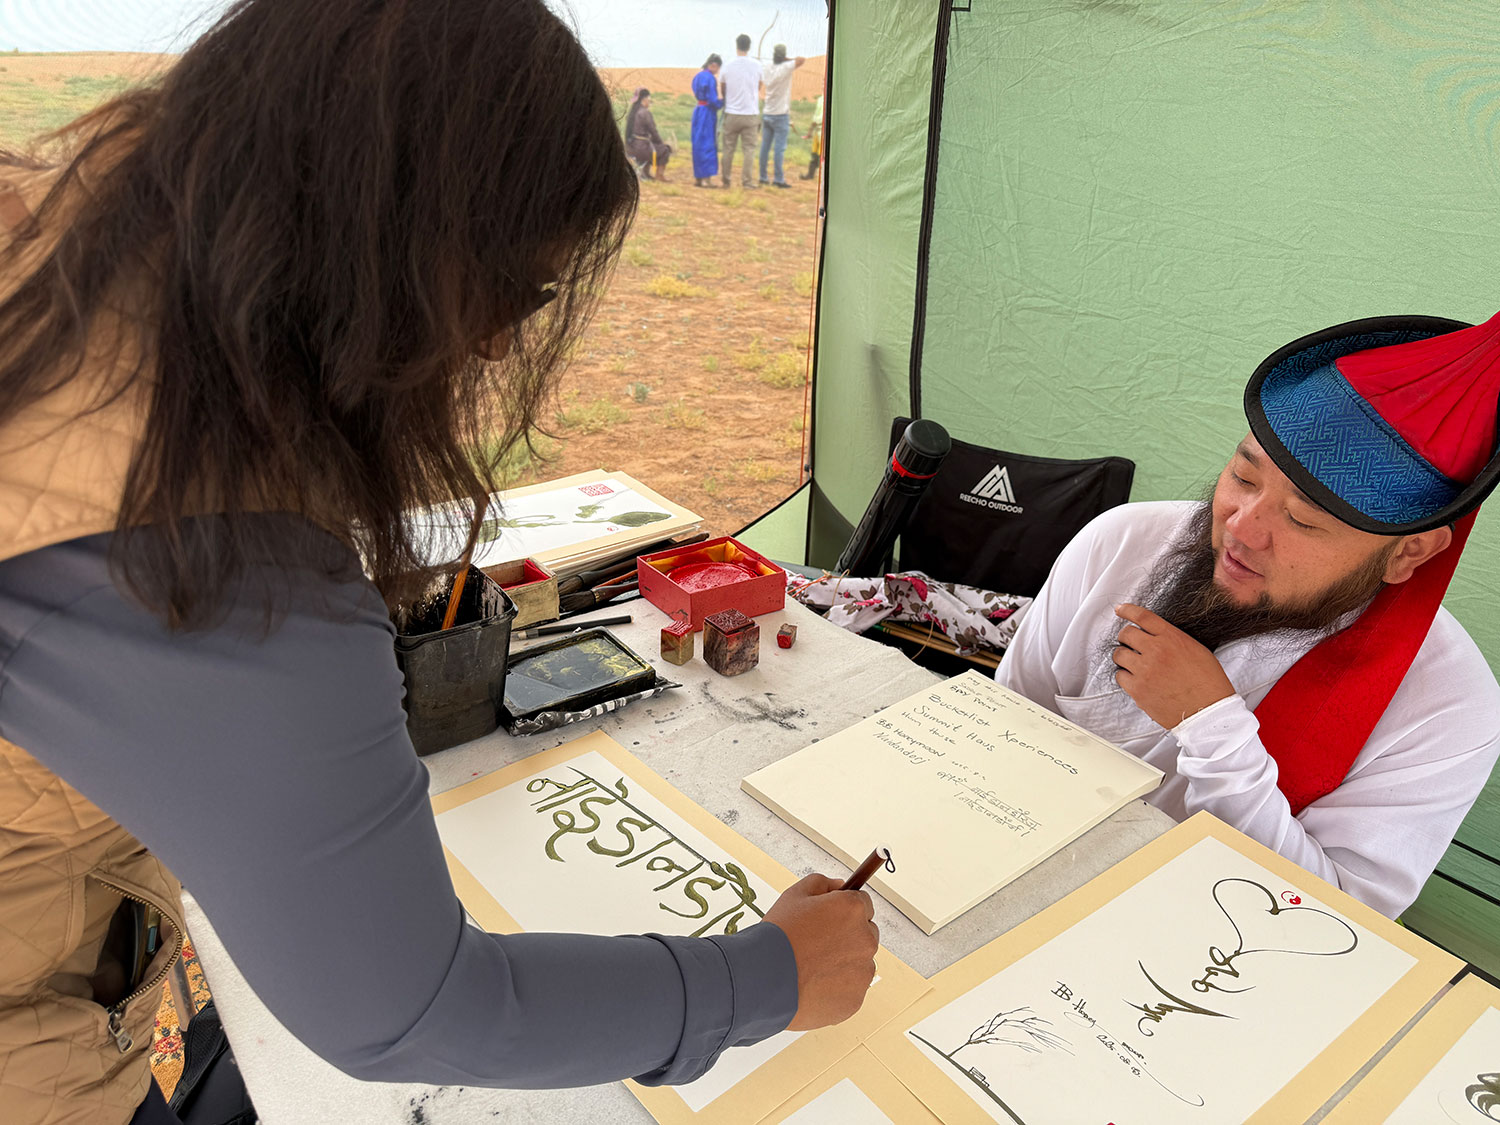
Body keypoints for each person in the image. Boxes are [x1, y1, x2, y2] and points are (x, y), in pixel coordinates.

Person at [0, 3, 879, 1123]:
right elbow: (406, 1010)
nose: (506, 343)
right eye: (522, 291)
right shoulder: (207, 567)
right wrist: (769, 979)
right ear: (399, 252)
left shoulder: (61, 232)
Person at [996, 311, 1500, 920]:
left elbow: (1342, 921)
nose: (1240, 527)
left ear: (1408, 551)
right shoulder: (1121, 542)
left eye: (1303, 520)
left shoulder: (1449, 703)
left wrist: (1212, 728)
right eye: (1243, 475)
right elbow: (1001, 732)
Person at [718, 33, 762, 189]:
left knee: (728, 148)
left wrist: (729, 98)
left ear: (737, 46)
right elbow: (759, 86)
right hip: (750, 114)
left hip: (732, 113)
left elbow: (722, 87)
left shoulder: (727, 65)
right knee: (749, 149)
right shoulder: (757, 65)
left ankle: (726, 181)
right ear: (749, 47)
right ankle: (747, 182)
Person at [758, 44, 805, 189]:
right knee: (779, 149)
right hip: (780, 115)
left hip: (767, 113)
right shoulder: (786, 67)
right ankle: (778, 179)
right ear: (783, 55)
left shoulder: (767, 67)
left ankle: (763, 177)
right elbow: (802, 59)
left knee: (765, 147)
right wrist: (787, 59)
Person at [625, 88, 673, 182]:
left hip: (631, 147)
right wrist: (661, 143)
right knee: (664, 150)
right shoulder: (644, 113)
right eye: (649, 99)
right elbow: (653, 131)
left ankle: (645, 173)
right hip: (641, 148)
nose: (649, 102)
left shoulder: (632, 113)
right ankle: (659, 176)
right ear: (644, 99)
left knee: (653, 148)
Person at [690, 54, 723, 188]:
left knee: (697, 144)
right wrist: (722, 102)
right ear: (714, 65)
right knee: (707, 144)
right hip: (707, 113)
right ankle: (706, 180)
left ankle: (698, 178)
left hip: (698, 110)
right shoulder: (710, 78)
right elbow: (712, 99)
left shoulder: (697, 76)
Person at [800, 92, 824, 181]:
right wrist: (810, 131)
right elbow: (815, 117)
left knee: (821, 155)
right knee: (814, 154)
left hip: (822, 130)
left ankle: (821, 176)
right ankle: (810, 174)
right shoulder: (820, 99)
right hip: (818, 130)